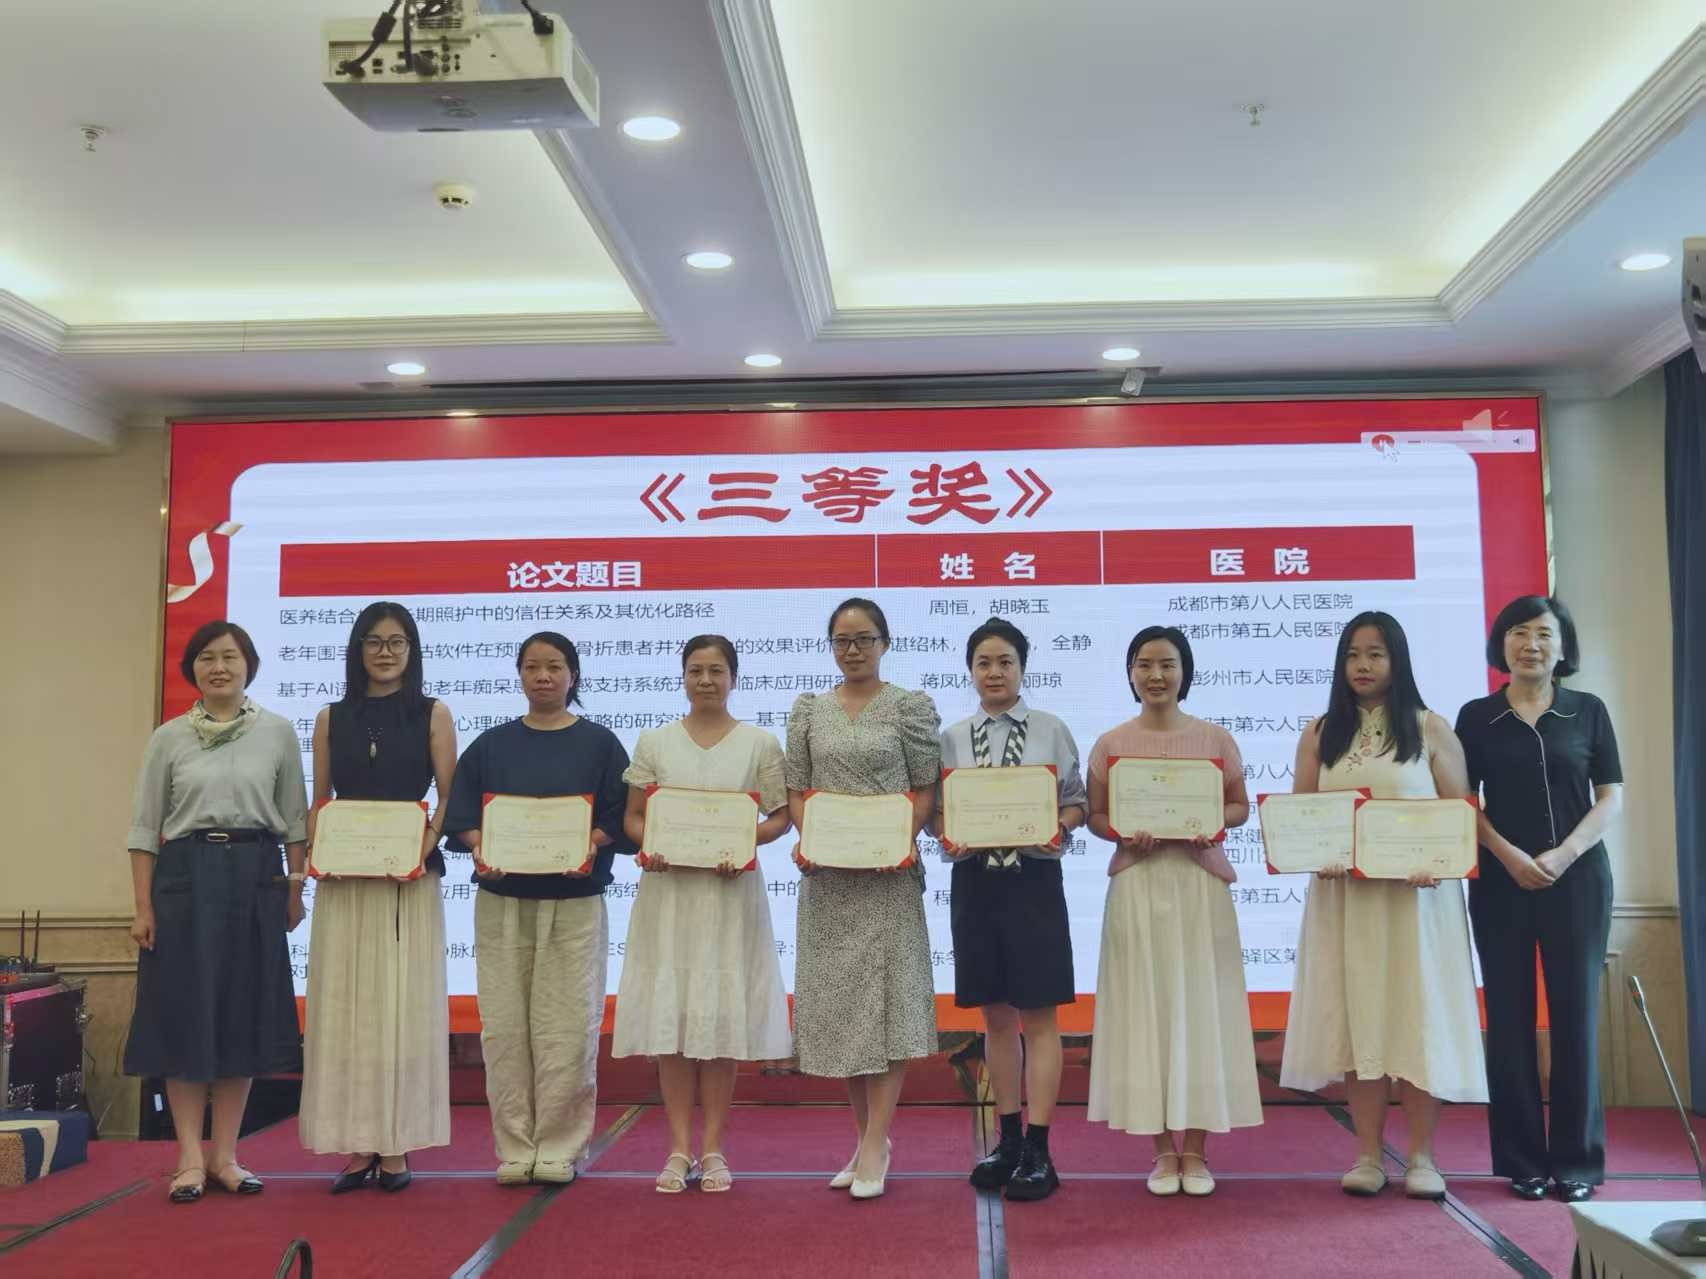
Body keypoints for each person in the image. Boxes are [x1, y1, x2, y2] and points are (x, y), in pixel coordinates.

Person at [1279, 611, 1486, 1199]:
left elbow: (1460, 818)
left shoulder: (1431, 728)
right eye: (1352, 654)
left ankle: (1422, 1156)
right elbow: (1301, 817)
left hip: (1418, 905)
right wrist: (1318, 853)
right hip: (1347, 901)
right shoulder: (1320, 733)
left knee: (1417, 1019)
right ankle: (1367, 1154)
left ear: (1398, 660)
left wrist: (1436, 862)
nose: (1363, 665)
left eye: (1375, 653)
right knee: (1359, 1018)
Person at [124, 620, 308, 1204]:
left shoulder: (277, 732)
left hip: (256, 876)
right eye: (207, 657)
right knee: (185, 1013)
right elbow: (144, 829)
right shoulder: (168, 738)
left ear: (249, 665)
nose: (219, 667)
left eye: (230, 656)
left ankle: (226, 1155)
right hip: (184, 877)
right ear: (193, 669)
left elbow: (295, 821)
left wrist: (295, 890)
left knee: (241, 1015)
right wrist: (142, 906)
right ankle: (187, 1157)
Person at [443, 632, 636, 1186]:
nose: (543, 676)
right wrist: (482, 845)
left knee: (568, 1028)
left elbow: (620, 818)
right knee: (504, 1028)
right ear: (519, 675)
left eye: (554, 666)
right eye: (532, 667)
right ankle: (513, 1146)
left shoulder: (600, 744)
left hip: (574, 904)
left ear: (574, 675)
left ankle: (559, 1145)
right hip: (503, 903)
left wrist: (590, 843)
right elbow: (462, 819)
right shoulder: (491, 745)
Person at [1456, 596, 1623, 1203]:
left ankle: (1577, 1162)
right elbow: (1463, 802)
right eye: (1518, 632)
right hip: (1502, 880)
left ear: (1562, 646)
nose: (1531, 644)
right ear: (1501, 644)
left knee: (1576, 1018)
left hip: (1577, 880)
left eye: (1544, 634)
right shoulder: (1477, 716)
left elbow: (1610, 796)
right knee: (1508, 1019)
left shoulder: (1588, 710)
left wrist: (1563, 855)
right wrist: (1509, 857)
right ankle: (1523, 1161)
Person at [613, 635, 793, 1194]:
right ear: (683, 677)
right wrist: (651, 843)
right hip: (669, 895)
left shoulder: (760, 743)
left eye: (716, 670)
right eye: (696, 670)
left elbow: (781, 817)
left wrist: (743, 840)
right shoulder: (655, 742)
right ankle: (676, 1148)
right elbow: (633, 817)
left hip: (728, 894)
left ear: (733, 677)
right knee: (673, 1024)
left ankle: (713, 1148)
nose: (706, 680)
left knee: (718, 1022)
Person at [1085, 625, 1260, 1197]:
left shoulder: (1215, 739)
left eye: (1167, 664)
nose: (1156, 675)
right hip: (1138, 885)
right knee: (1147, 1011)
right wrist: (1121, 831)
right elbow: (1096, 816)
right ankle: (1163, 1150)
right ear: (1130, 672)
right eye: (1144, 664)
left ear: (1185, 671)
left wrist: (1209, 820)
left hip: (1199, 885)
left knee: (1201, 1009)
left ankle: (1199, 1150)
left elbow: (1239, 806)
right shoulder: (1111, 743)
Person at [785, 597, 941, 1200]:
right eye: (842, 640)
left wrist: (894, 840)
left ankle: (876, 1142)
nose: (853, 650)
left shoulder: (908, 707)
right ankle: (865, 1139)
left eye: (864, 639)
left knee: (887, 1007)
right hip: (829, 881)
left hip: (887, 877)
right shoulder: (809, 710)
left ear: (885, 643)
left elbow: (924, 790)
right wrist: (813, 839)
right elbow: (797, 790)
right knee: (844, 1013)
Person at [299, 602, 456, 1193]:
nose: (385, 653)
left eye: (396, 642)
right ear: (357, 649)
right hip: (345, 881)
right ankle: (357, 1143)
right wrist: (315, 859)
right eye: (373, 642)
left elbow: (450, 795)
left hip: (407, 881)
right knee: (347, 1011)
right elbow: (321, 801)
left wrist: (422, 845)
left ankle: (396, 1144)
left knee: (400, 1007)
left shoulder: (433, 713)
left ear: (411, 650)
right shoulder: (330, 717)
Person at [934, 618, 1086, 1202]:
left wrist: (1060, 827)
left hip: (1034, 881)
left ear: (1023, 668)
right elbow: (940, 812)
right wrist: (945, 833)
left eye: (1005, 662)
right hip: (976, 884)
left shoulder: (1050, 729)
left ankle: (1041, 1150)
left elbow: (1075, 801)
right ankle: (1010, 1141)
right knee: (995, 1017)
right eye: (984, 663)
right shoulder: (952, 738)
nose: (994, 673)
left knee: (1040, 1017)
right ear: (970, 671)